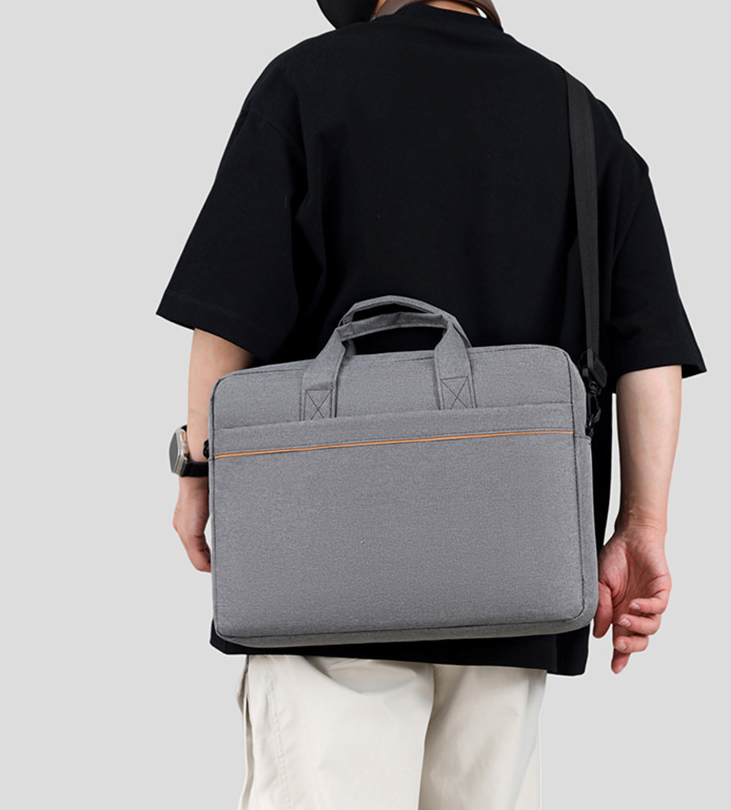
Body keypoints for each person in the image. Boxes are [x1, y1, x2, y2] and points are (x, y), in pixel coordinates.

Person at [156, 1, 707, 807]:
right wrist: (641, 526)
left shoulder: (306, 83)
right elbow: (647, 350)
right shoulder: (579, 117)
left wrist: (200, 468)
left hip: (324, 571)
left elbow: (229, 312)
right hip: (514, 582)